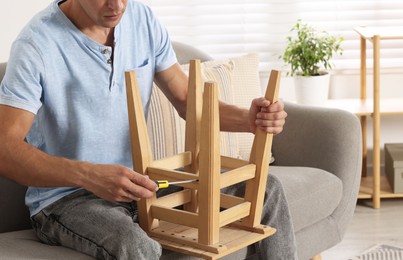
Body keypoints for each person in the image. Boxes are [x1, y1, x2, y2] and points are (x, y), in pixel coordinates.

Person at [0, 0, 297, 259]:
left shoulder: (141, 19)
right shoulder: (37, 44)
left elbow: (186, 101)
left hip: (143, 184)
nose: (117, 6)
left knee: (266, 189)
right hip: (69, 199)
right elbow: (5, 147)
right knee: (135, 246)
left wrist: (249, 119)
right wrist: (90, 174)